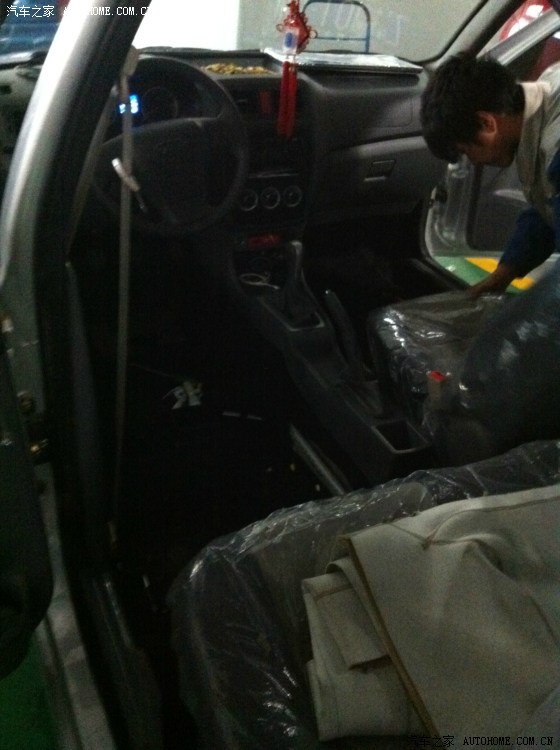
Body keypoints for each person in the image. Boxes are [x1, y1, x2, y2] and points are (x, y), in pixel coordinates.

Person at [420, 53, 560, 295]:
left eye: (467, 151)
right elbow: (547, 207)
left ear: (487, 123)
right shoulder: (547, 90)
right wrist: (502, 276)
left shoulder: (555, 146)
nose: (474, 163)